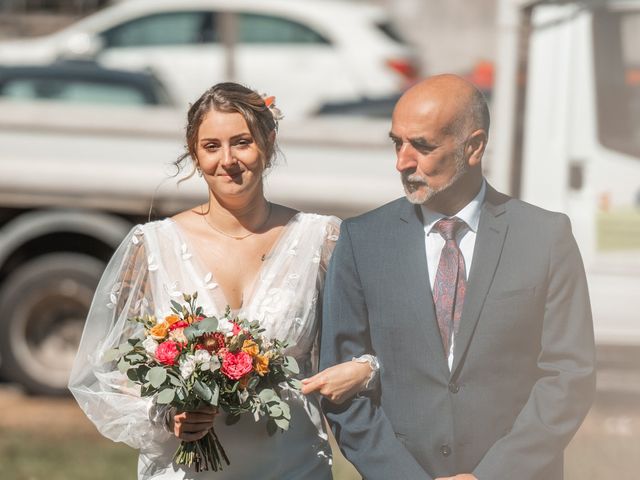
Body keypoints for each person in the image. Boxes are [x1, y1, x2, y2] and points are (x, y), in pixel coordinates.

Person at [69, 82, 374, 479]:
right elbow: (108, 372)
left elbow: (374, 342)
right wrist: (165, 414)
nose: (227, 160)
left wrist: (366, 369)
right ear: (195, 154)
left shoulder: (321, 239)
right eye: (211, 146)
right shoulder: (153, 245)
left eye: (242, 142)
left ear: (269, 140)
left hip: (290, 464)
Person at [311, 74, 596, 480]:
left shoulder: (545, 237)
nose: (402, 162)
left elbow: (569, 376)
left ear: (474, 146)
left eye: (422, 146)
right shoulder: (363, 240)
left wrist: (494, 474)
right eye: (397, 142)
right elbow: (340, 384)